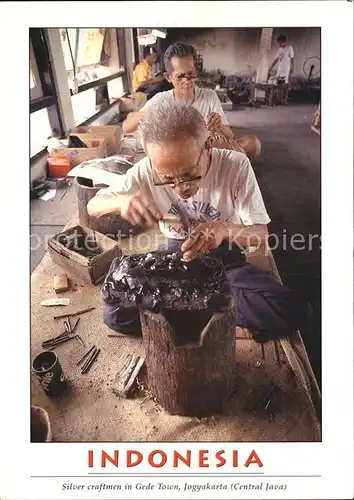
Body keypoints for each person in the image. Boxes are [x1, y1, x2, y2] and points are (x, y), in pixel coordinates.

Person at [88, 100, 311, 338]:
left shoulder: (235, 165)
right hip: (174, 256)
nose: (180, 188)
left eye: (188, 174)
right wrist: (121, 202)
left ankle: (186, 310)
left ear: (208, 147)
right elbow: (94, 205)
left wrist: (224, 229)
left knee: (294, 309)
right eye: (167, 179)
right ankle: (211, 315)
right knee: (116, 313)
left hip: (223, 258)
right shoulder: (145, 170)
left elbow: (260, 233)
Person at [124, 41, 261, 158]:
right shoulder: (162, 100)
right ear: (168, 77)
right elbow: (126, 126)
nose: (187, 81)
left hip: (205, 154)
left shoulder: (209, 97)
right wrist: (150, 113)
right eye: (180, 76)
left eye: (191, 75)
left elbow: (229, 136)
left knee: (253, 144)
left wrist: (219, 125)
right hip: (178, 157)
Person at [268, 34, 294, 104]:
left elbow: (292, 58)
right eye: (279, 43)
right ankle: (278, 99)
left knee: (285, 84)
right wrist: (270, 67)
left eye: (280, 43)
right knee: (278, 84)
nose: (279, 44)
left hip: (286, 69)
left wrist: (292, 67)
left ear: (284, 42)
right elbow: (276, 59)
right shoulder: (279, 49)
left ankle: (284, 100)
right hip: (280, 69)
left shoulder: (289, 48)